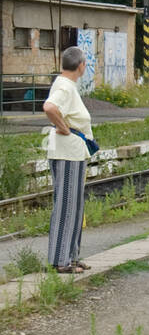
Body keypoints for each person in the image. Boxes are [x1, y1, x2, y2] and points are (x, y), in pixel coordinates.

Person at [42, 47, 93, 273]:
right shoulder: (64, 85)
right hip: (66, 154)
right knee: (66, 207)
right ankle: (59, 261)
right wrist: (63, 128)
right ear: (81, 65)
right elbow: (50, 107)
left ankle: (71, 256)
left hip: (73, 153)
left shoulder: (68, 85)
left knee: (75, 206)